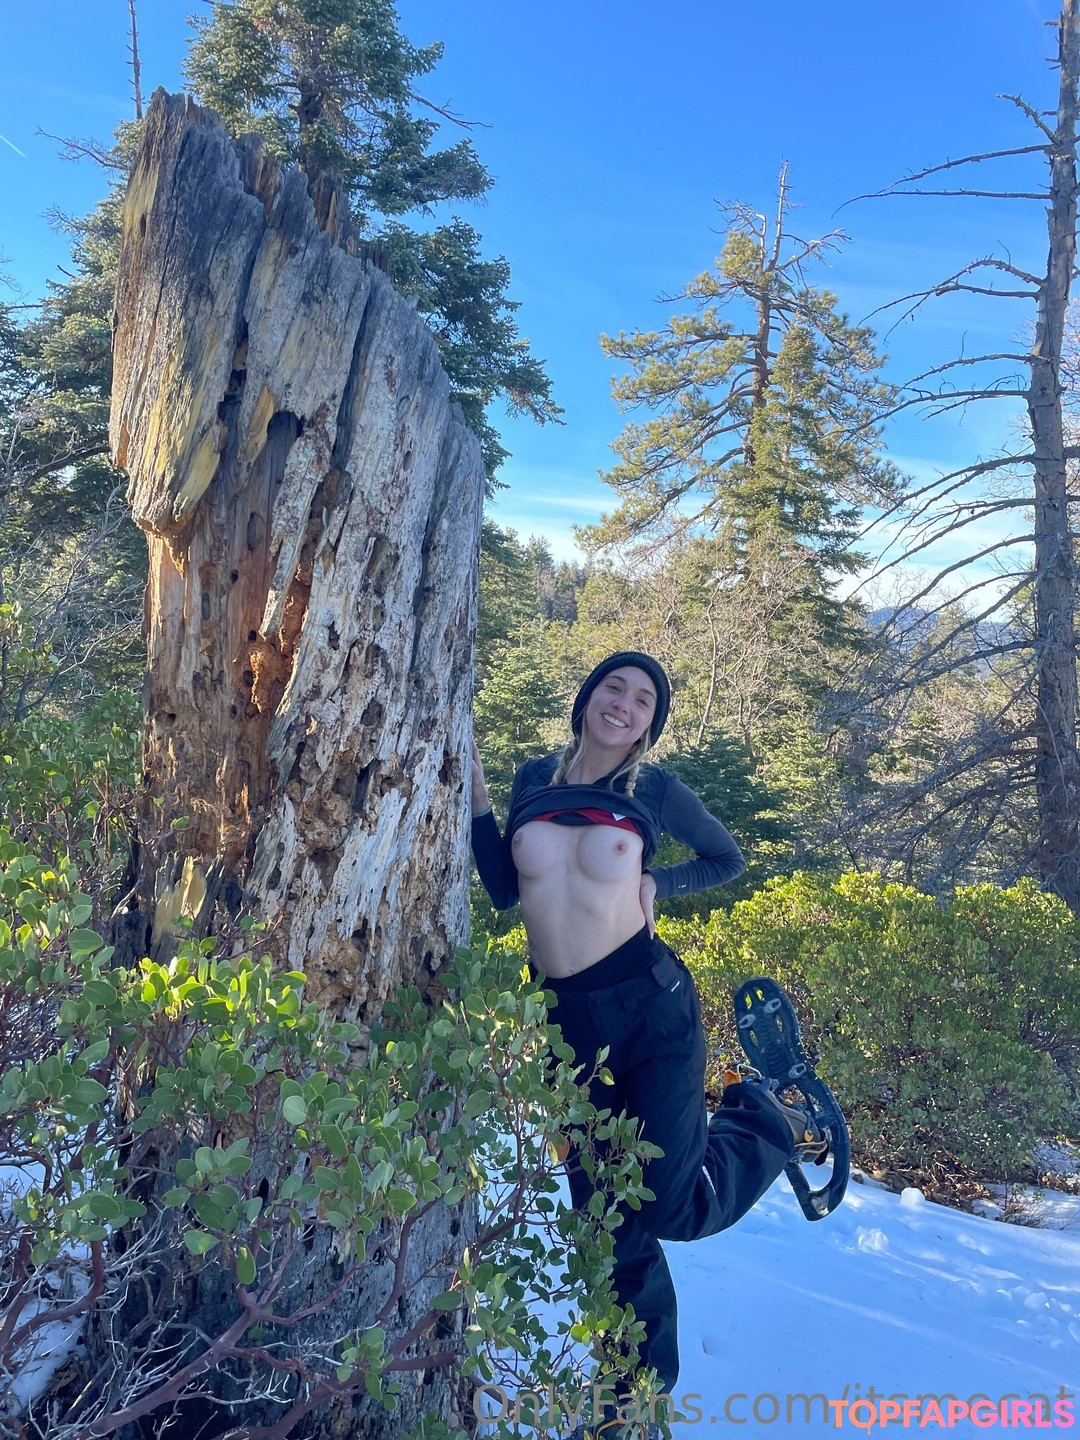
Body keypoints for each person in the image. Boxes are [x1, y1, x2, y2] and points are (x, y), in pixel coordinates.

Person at [470, 651, 817, 1414]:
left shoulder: (652, 788)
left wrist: (660, 880)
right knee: (604, 1219)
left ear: (648, 726)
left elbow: (726, 858)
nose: (623, 704)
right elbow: (502, 888)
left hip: (650, 1006)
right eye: (613, 688)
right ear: (587, 698)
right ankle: (630, 1401)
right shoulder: (535, 779)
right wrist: (477, 800)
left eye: (642, 701)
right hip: (563, 1023)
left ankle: (770, 1119)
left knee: (666, 1207)